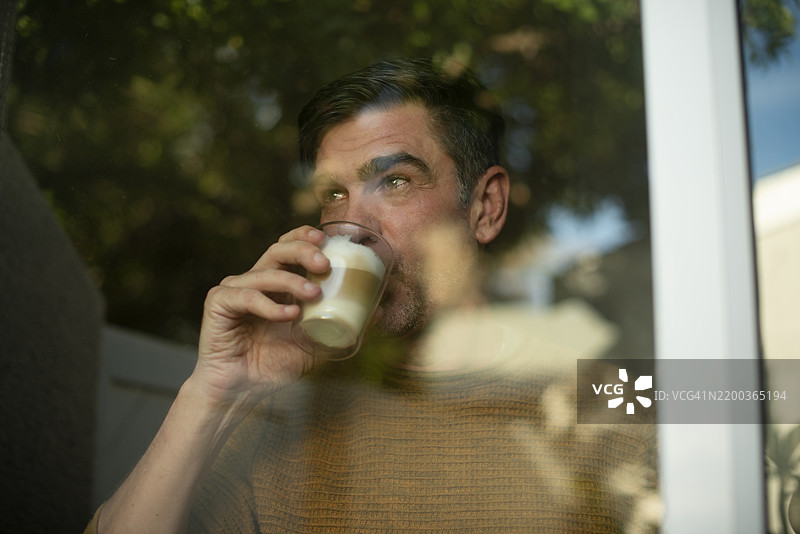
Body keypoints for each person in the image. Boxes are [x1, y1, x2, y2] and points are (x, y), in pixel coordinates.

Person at [87, 58, 658, 533]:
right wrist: (212, 395)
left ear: (484, 208)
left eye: (396, 181)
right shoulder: (280, 421)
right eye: (333, 194)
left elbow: (734, 401)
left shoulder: (587, 384)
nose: (354, 222)